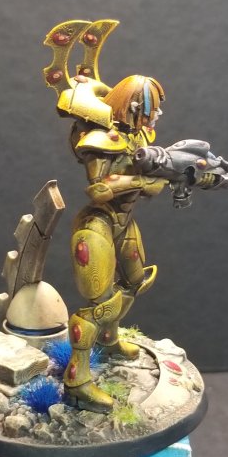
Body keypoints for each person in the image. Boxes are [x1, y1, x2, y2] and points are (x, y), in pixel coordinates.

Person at [62, 75, 168, 412]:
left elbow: (150, 177)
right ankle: (77, 382)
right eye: (151, 109)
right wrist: (142, 181)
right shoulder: (102, 139)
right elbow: (98, 189)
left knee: (135, 282)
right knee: (99, 306)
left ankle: (108, 341)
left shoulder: (139, 135)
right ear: (135, 106)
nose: (155, 116)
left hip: (124, 223)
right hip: (97, 225)